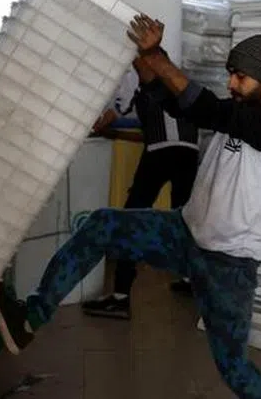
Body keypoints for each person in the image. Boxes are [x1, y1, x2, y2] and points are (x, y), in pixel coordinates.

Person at [0, 16, 261, 399]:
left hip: (229, 263)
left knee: (232, 365)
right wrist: (147, 61)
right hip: (184, 233)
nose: (231, 84)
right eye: (230, 75)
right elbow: (178, 104)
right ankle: (30, 319)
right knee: (102, 225)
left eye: (239, 76)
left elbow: (209, 110)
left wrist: (158, 57)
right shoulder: (237, 112)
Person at [82, 55, 200, 321]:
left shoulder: (145, 80)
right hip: (188, 155)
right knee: (185, 221)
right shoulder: (182, 85)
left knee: (132, 219)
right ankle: (192, 281)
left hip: (160, 155)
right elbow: (154, 133)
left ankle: (120, 297)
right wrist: (116, 134)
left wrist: (98, 124)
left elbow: (119, 113)